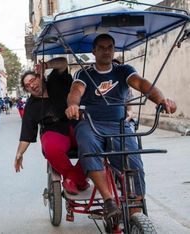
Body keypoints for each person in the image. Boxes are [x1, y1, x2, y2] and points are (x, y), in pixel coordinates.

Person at [65, 34, 177, 220]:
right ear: (94, 51)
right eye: (101, 47)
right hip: (92, 124)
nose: (106, 51)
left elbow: (142, 84)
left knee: (134, 163)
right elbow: (76, 90)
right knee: (87, 145)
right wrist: (73, 105)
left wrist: (161, 99)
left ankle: (136, 213)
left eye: (110, 47)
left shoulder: (123, 70)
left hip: (119, 126)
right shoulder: (84, 73)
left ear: (114, 49)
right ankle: (108, 200)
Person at [14, 57, 89, 195]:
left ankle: (73, 179)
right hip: (54, 131)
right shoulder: (31, 106)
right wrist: (19, 154)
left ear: (40, 77)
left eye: (33, 80)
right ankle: (78, 179)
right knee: (51, 149)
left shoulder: (55, 80)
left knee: (94, 144)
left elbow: (63, 63)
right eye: (27, 85)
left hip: (76, 123)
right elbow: (26, 133)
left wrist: (46, 65)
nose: (32, 85)